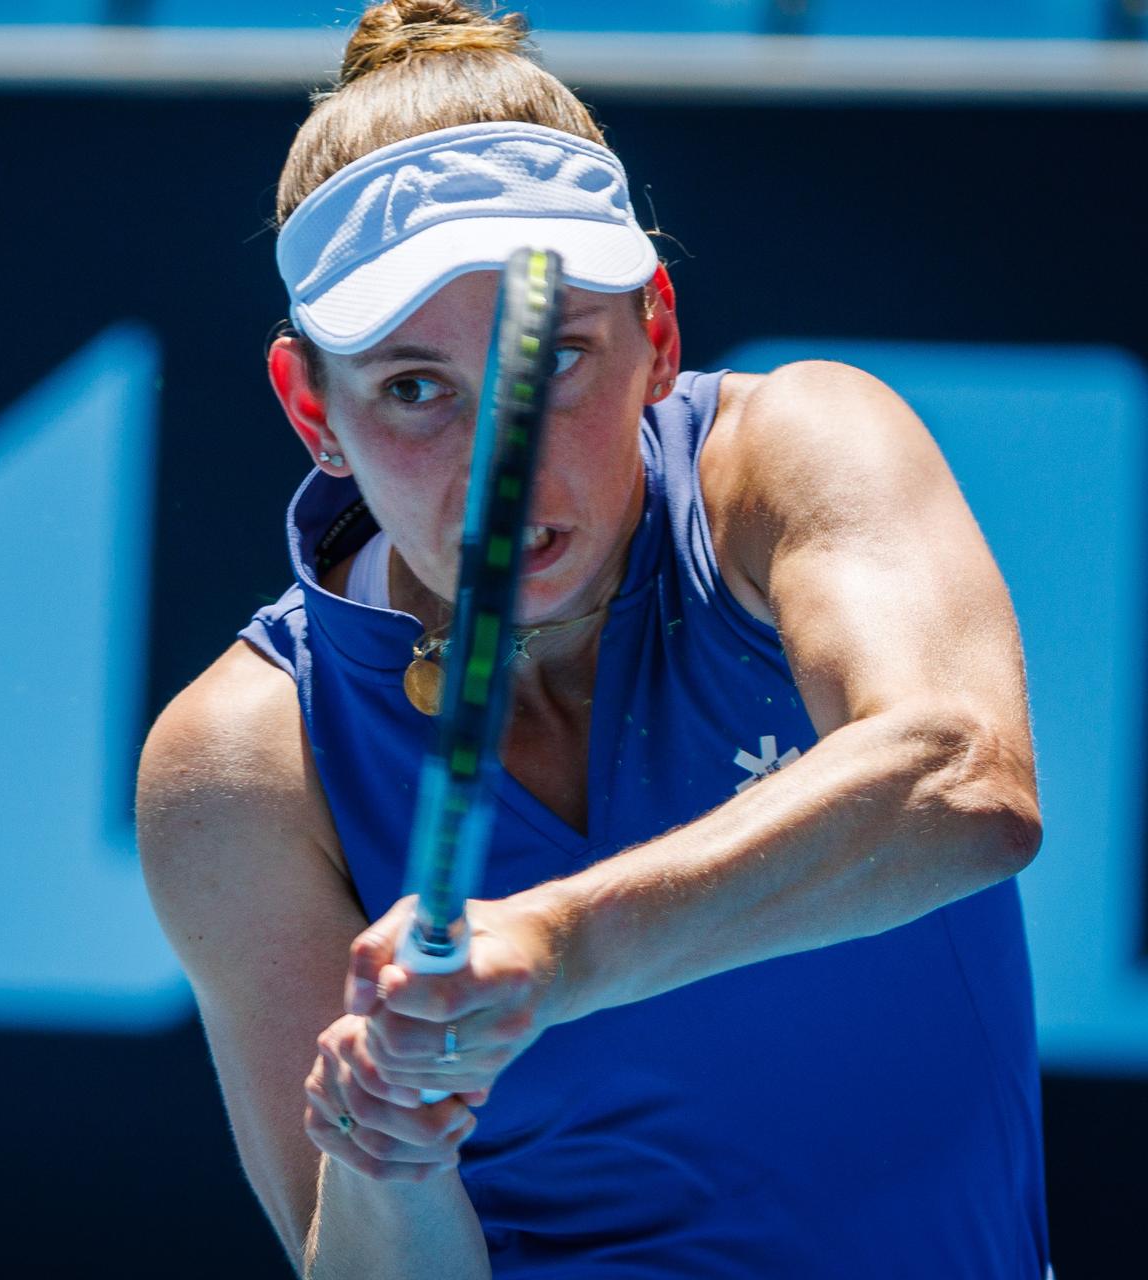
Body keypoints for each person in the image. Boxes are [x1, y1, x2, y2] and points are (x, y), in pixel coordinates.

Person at [134, 3, 1050, 1277]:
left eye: (555, 356)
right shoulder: (242, 759)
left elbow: (967, 782)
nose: (501, 456)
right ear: (312, 411)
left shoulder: (797, 454)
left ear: (658, 333)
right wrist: (388, 1152)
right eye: (413, 387)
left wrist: (557, 947)